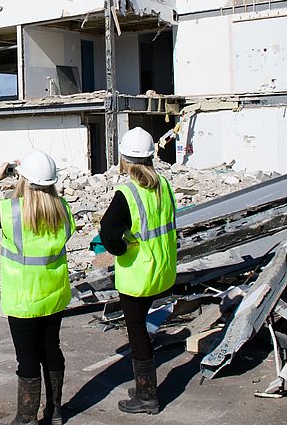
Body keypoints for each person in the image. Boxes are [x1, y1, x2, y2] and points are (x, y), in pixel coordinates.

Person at [0, 149, 76, 425]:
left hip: (23, 299)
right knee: (51, 350)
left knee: (27, 359)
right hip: (53, 295)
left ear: (22, 179)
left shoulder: (11, 212)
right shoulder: (63, 210)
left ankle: (27, 418)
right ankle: (55, 411)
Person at [99, 127, 178, 415]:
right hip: (163, 269)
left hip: (138, 274)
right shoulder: (165, 185)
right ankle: (145, 387)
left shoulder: (127, 192)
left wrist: (121, 249)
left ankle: (148, 396)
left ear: (124, 159)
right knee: (142, 329)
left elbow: (108, 233)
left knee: (137, 334)